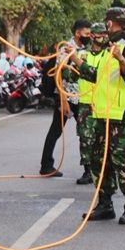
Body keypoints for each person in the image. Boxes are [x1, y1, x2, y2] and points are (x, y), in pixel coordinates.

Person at [67, 8, 125, 224]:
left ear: (111, 24)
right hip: (101, 114)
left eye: (106, 23)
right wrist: (74, 58)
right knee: (99, 161)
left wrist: (121, 59)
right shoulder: (108, 48)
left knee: (123, 162)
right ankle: (105, 204)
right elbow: (96, 76)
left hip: (122, 115)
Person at [39, 19, 91, 177]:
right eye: (86, 33)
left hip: (80, 96)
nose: (89, 36)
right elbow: (58, 73)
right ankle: (46, 165)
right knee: (57, 131)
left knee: (85, 132)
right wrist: (63, 100)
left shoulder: (84, 48)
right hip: (67, 96)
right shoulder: (66, 47)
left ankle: (89, 170)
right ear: (77, 33)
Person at [73, 22, 108, 185]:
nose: (103, 37)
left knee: (103, 139)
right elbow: (70, 75)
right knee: (85, 138)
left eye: (104, 34)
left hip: (104, 103)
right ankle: (87, 170)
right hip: (85, 103)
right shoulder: (82, 54)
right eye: (99, 34)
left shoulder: (107, 55)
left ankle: (103, 170)